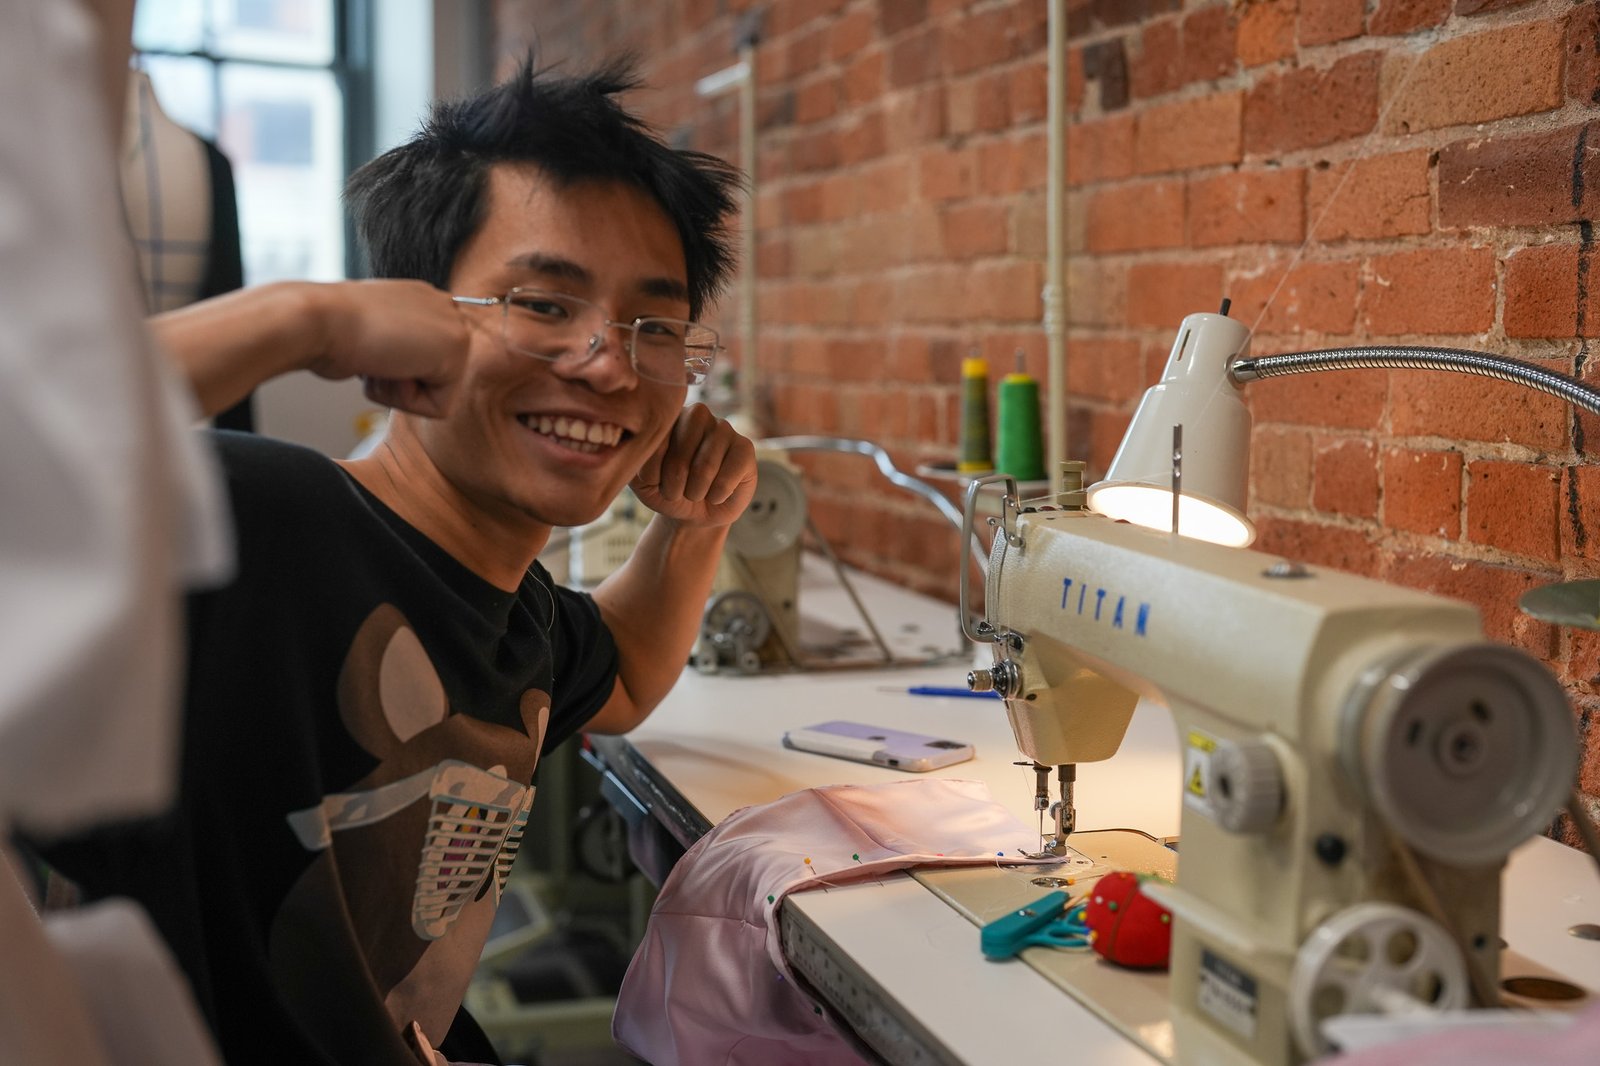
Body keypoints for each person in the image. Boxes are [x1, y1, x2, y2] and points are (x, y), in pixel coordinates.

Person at [38, 56, 755, 1066]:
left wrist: (697, 521)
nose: (609, 362)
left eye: (656, 325)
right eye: (544, 304)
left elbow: (628, 671)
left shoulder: (517, 618)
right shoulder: (259, 527)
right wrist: (304, 319)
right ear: (414, 313)